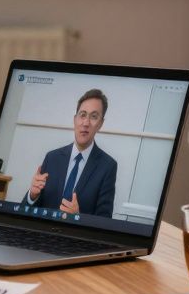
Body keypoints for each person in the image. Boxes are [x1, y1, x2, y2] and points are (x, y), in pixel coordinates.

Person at [23, 89, 118, 217]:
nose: (86, 123)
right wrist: (32, 195)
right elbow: (25, 212)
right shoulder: (52, 158)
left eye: (94, 117)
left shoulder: (108, 166)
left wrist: (78, 217)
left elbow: (104, 220)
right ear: (75, 119)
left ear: (100, 124)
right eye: (82, 115)